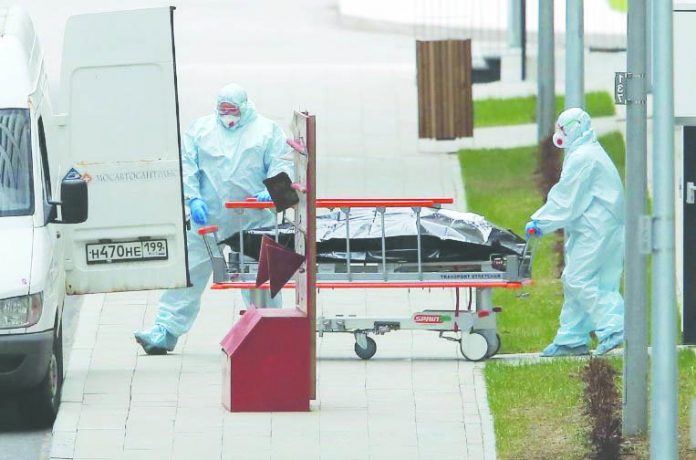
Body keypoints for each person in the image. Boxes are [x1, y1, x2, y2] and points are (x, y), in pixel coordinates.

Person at [134, 83, 293, 355]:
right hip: (207, 219)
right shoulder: (201, 130)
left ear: (244, 107)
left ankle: (267, 330)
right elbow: (188, 167)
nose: (228, 116)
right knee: (189, 274)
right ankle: (165, 330)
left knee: (258, 279)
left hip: (252, 220)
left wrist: (271, 192)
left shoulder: (266, 132)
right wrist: (192, 199)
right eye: (224, 110)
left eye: (232, 110)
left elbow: (283, 166)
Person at [525, 108, 624, 357]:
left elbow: (566, 199)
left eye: (564, 130)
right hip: (598, 227)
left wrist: (540, 222)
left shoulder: (584, 158)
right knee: (584, 280)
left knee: (577, 279)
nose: (560, 135)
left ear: (576, 129)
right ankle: (572, 337)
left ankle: (614, 325)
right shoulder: (585, 152)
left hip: (597, 229)